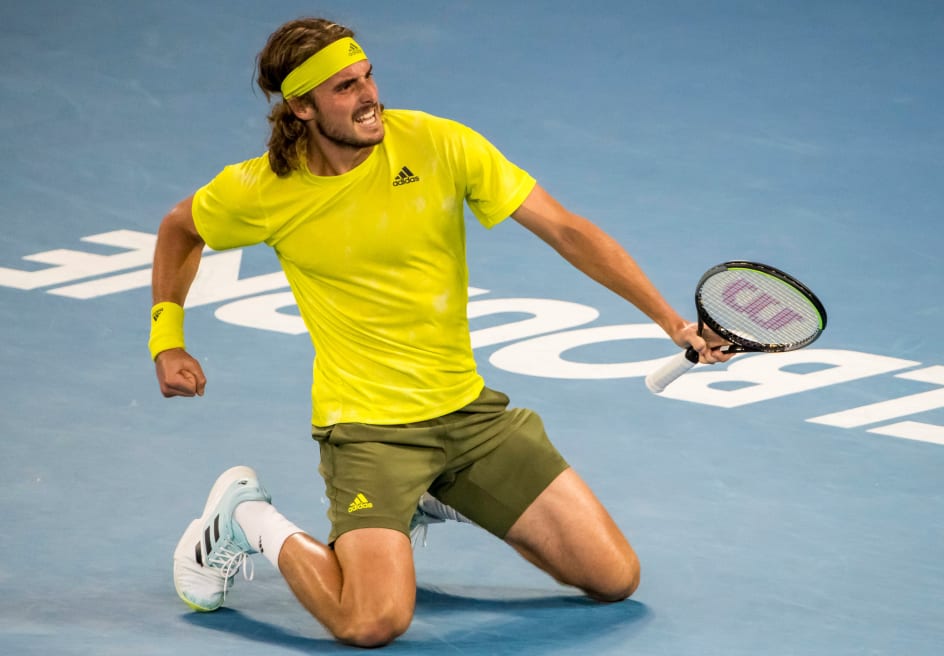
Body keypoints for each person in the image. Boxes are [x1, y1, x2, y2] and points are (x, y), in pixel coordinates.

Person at [150, 16, 732, 648]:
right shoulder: (263, 190)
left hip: (470, 417)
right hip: (369, 431)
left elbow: (565, 228)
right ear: (302, 107)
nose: (370, 94)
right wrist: (168, 338)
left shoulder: (438, 144)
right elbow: (182, 227)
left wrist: (670, 320)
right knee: (371, 622)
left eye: (368, 74)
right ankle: (246, 516)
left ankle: (433, 495)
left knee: (615, 576)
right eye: (345, 87)